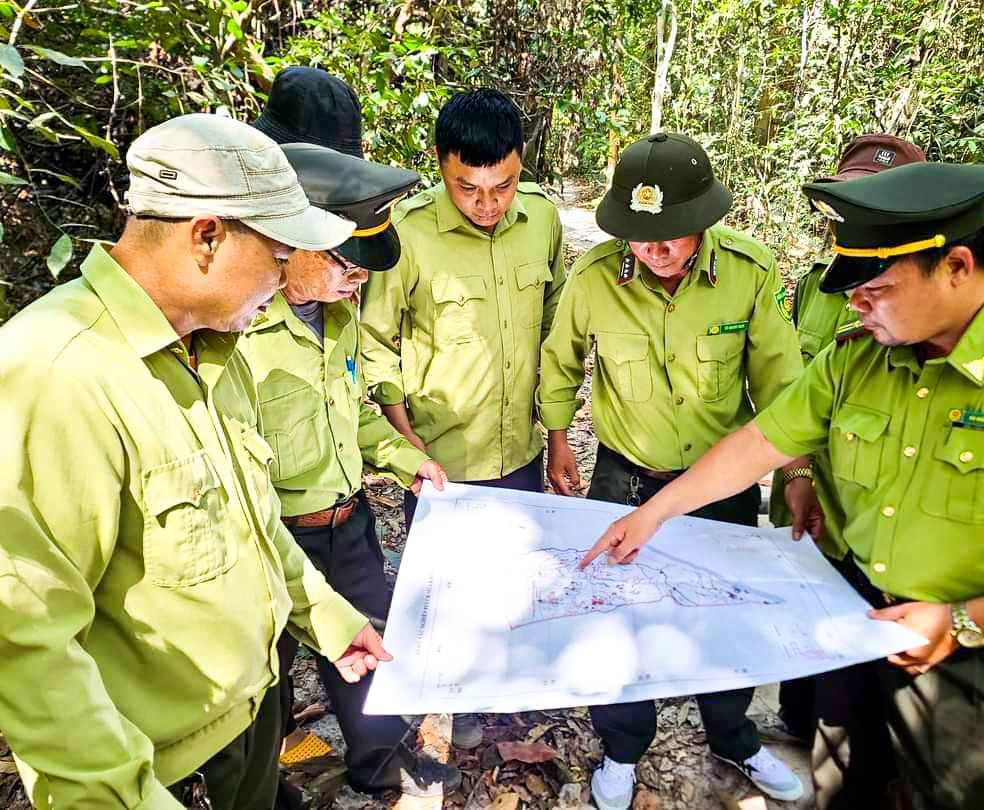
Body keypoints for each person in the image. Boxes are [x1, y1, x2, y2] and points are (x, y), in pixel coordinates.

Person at [583, 162, 984, 810]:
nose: (855, 302)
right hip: (852, 618)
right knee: (843, 783)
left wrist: (960, 622)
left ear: (956, 266)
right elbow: (761, 442)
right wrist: (653, 515)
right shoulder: (859, 354)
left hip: (976, 659)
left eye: (875, 286)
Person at [0, 113, 389, 810]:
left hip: (245, 720)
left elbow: (253, 524)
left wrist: (329, 618)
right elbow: (28, 647)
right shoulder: (54, 375)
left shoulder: (208, 349)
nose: (285, 281)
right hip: (158, 766)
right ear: (206, 236)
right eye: (278, 257)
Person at [538, 132, 811, 806]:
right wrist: (557, 439)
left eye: (671, 235)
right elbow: (561, 359)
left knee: (723, 615)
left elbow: (783, 383)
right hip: (624, 476)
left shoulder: (750, 274)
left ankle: (732, 736)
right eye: (638, 234)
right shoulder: (596, 276)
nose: (654, 249)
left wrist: (798, 471)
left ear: (704, 221)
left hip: (719, 483)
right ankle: (625, 746)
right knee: (612, 620)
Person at [242, 66, 459, 798]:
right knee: (263, 685)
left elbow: (355, 410)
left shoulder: (336, 308)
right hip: (271, 540)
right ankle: (271, 785)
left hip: (348, 524)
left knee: (370, 652)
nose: (358, 277)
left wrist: (406, 458)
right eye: (342, 260)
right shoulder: (233, 329)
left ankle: (376, 768)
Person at [358, 88, 566, 750]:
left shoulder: (543, 219)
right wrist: (406, 441)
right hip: (442, 458)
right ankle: (451, 706)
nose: (485, 203)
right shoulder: (409, 233)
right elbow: (375, 345)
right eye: (465, 187)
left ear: (521, 164)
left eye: (501, 186)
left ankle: (509, 693)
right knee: (449, 599)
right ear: (441, 166)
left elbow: (557, 317)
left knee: (516, 580)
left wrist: (556, 422)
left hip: (522, 449)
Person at [772, 134, 926, 743]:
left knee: (873, 690)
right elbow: (789, 394)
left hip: (890, 532)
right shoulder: (816, 287)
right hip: (820, 499)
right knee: (807, 628)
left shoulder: (935, 308)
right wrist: (797, 474)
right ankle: (794, 721)